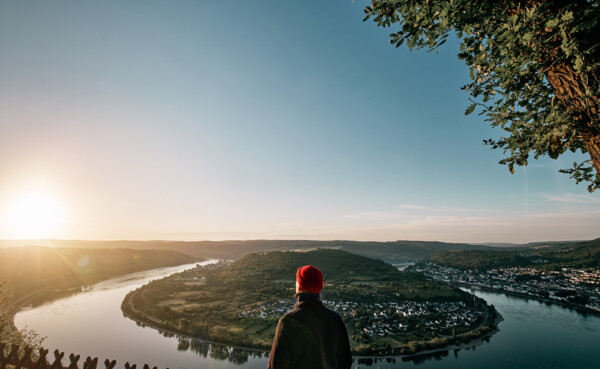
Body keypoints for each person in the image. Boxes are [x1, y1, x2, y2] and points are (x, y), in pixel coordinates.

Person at [267, 265, 352, 369]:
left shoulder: (288, 321)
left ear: (299, 286)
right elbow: (345, 362)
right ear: (319, 287)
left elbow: (276, 365)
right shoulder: (335, 319)